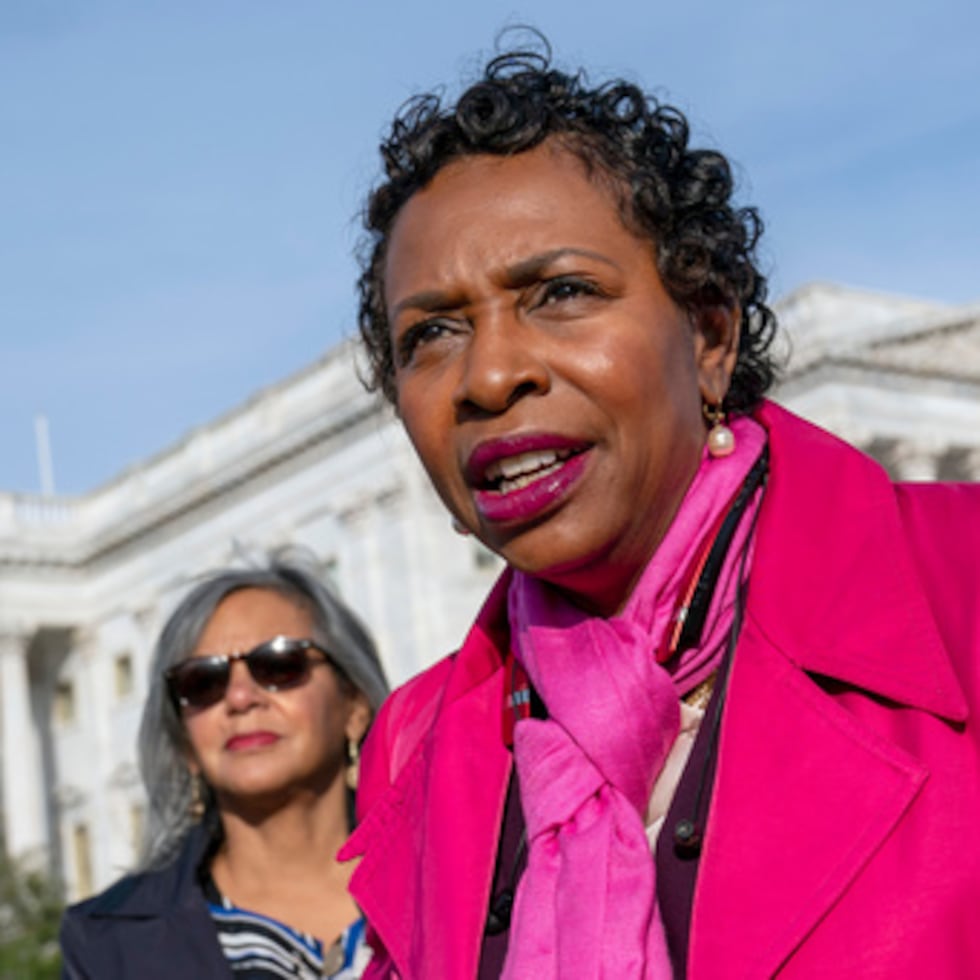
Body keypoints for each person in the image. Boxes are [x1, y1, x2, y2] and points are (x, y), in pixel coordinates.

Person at [340, 34, 980, 980]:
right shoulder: (416, 741)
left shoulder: (956, 582)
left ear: (710, 331)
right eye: (431, 333)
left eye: (561, 292)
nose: (489, 374)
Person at [60, 552, 390, 979]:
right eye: (203, 682)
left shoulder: (459, 875)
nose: (239, 698)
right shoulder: (108, 945)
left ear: (354, 705)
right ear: (185, 744)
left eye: (278, 664)